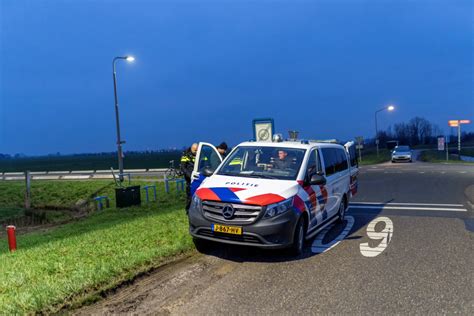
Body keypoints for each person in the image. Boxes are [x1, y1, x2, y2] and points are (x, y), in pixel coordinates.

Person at [180, 143, 198, 212]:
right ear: (191, 149)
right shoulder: (186, 155)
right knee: (190, 196)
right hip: (189, 178)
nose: (196, 152)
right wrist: (190, 176)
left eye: (197, 150)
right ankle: (188, 210)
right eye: (195, 150)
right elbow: (183, 167)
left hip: (198, 177)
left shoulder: (199, 154)